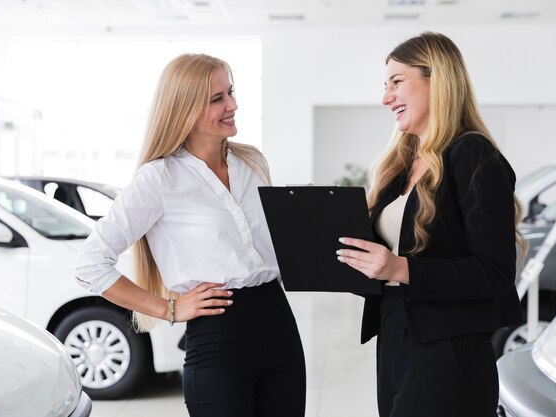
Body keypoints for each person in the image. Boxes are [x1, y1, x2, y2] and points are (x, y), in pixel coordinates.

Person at [74, 53, 306, 417]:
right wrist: (168, 308)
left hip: (278, 324)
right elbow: (90, 264)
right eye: (218, 99)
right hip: (218, 336)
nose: (233, 104)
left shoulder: (251, 162)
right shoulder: (158, 179)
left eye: (230, 92)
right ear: (184, 109)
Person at [336, 32, 526, 417]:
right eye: (384, 85)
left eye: (397, 82)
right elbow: (391, 260)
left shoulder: (473, 153)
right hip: (396, 335)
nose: (386, 97)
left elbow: (496, 272)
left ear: (437, 80)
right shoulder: (402, 163)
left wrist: (400, 268)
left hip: (447, 347)